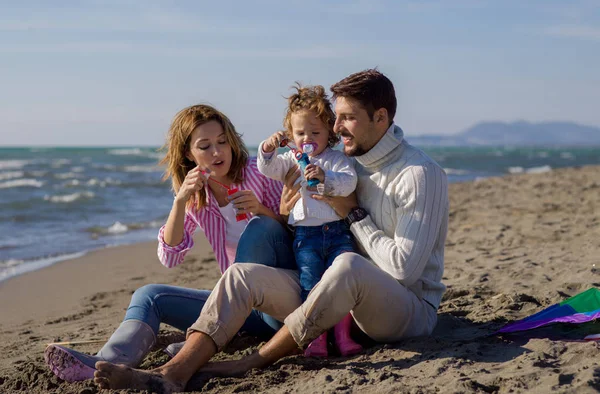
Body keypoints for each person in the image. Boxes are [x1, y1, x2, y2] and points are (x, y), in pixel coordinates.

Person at [93, 69, 449, 394]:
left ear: (381, 117)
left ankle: (253, 359)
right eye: (336, 117)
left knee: (348, 264)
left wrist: (352, 213)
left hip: (404, 311)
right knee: (239, 276)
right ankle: (173, 372)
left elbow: (404, 269)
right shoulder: (347, 164)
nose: (336, 128)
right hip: (334, 299)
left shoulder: (418, 174)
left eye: (347, 118)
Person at [44, 104, 296, 383]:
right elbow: (170, 257)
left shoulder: (260, 172)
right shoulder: (197, 196)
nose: (217, 152)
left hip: (279, 304)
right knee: (150, 295)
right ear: (189, 154)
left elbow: (297, 232)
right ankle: (107, 362)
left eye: (223, 142)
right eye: (206, 146)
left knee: (261, 227)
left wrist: (262, 210)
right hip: (241, 312)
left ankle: (188, 352)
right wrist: (180, 201)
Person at [257, 84, 361, 357]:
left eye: (315, 132)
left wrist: (326, 178)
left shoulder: (335, 159)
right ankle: (315, 337)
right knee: (311, 284)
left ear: (329, 132)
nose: (308, 138)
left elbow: (349, 183)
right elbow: (268, 169)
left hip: (337, 232)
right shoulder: (291, 159)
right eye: (301, 133)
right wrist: (267, 150)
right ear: (291, 135)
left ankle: (343, 336)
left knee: (339, 283)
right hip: (306, 237)